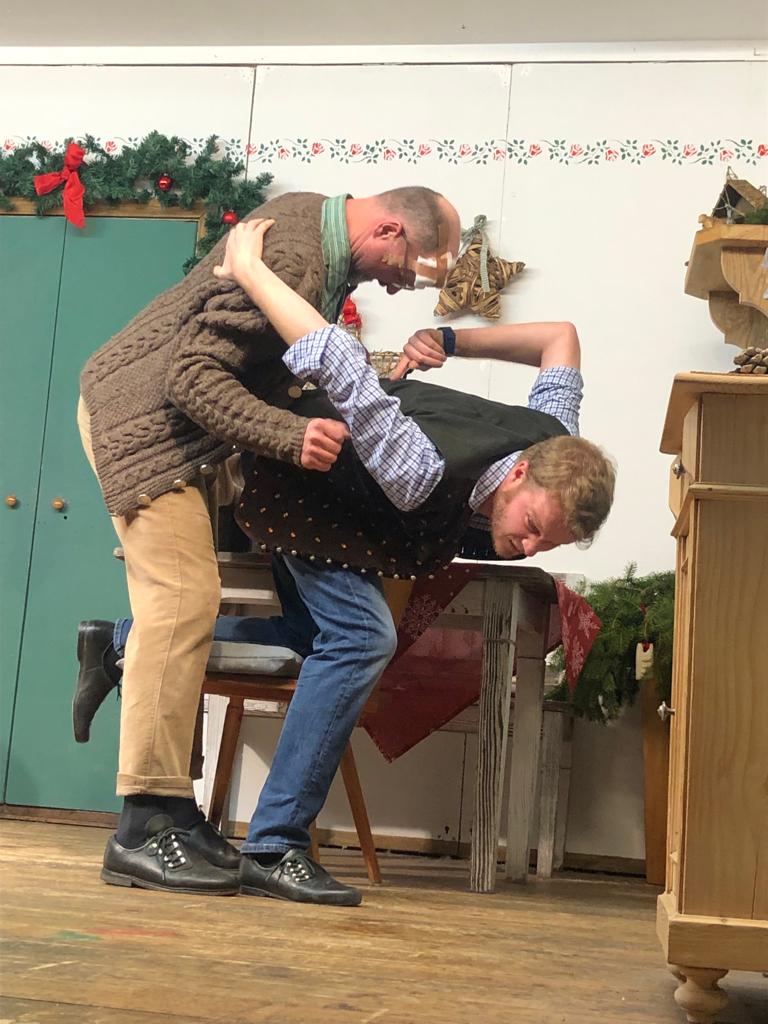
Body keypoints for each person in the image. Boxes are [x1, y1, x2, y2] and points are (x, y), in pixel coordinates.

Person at [76, 219, 614, 906]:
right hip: (303, 491)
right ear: (516, 477)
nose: (529, 548)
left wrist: (452, 340)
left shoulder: (556, 441)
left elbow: (559, 338)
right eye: (532, 527)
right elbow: (334, 358)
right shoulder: (422, 467)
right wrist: (251, 269)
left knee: (313, 639)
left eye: (547, 544)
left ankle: (118, 643)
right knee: (361, 637)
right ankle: (275, 846)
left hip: (351, 512)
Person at [76, 191, 461, 899]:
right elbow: (191, 375)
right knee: (181, 601)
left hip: (184, 433)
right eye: (410, 267)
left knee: (191, 606)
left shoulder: (318, 237)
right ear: (388, 229)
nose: (401, 284)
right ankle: (141, 828)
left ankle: (173, 812)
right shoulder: (296, 256)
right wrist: (290, 435)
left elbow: (260, 361)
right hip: (145, 424)